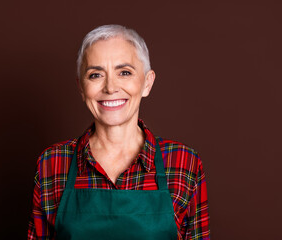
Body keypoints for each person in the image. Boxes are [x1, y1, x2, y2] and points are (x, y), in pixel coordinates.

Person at [27, 24, 210, 240]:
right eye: (95, 75)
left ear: (147, 83)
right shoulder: (52, 163)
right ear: (81, 87)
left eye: (124, 72)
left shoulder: (183, 163)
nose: (110, 87)